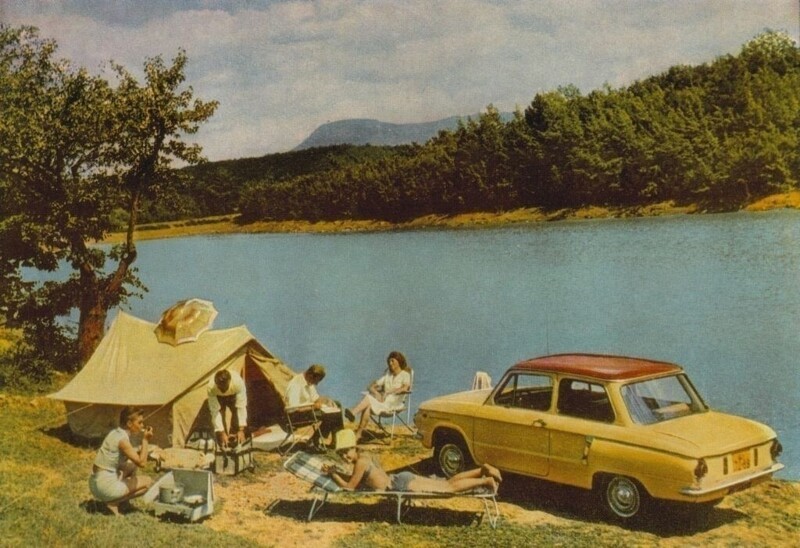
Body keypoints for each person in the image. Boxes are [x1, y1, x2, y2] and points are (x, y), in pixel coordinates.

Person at [322, 429, 501, 493]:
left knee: (448, 488)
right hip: (400, 478)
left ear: (354, 447)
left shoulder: (360, 463)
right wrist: (337, 472)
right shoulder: (365, 456)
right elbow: (357, 479)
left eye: (346, 451)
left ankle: (485, 481)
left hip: (399, 485)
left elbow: (349, 487)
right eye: (341, 454)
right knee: (446, 483)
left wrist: (333, 475)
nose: (344, 456)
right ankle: (481, 470)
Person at [88, 406, 154, 515]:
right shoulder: (123, 440)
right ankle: (114, 502)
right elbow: (142, 463)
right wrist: (145, 440)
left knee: (131, 465)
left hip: (95, 483)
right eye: (140, 422)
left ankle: (119, 499)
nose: (142, 426)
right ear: (129, 423)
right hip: (105, 486)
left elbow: (125, 456)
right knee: (148, 483)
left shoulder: (115, 433)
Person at [347, 351, 411, 440]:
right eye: (389, 361)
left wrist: (389, 392)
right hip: (384, 403)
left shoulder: (405, 375)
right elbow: (371, 387)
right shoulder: (388, 375)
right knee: (367, 406)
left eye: (392, 361)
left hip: (395, 404)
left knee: (368, 398)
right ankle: (359, 433)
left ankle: (353, 413)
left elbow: (405, 388)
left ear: (399, 361)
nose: (390, 363)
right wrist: (377, 393)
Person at [285, 364, 345, 447]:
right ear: (310, 375)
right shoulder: (296, 384)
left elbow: (316, 399)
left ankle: (336, 440)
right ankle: (316, 439)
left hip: (308, 411)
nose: (316, 384)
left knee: (337, 405)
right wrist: (313, 407)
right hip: (295, 416)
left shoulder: (308, 381)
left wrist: (327, 400)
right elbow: (293, 408)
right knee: (332, 415)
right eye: (316, 381)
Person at [208, 369, 248, 449]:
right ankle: (223, 441)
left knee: (236, 413)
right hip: (218, 397)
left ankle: (234, 438)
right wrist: (222, 432)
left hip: (233, 394)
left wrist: (241, 429)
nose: (222, 390)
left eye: (224, 387)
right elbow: (215, 412)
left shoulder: (238, 382)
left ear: (229, 381)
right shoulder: (211, 387)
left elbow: (241, 407)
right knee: (221, 415)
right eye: (220, 387)